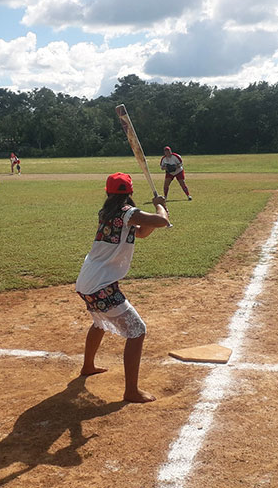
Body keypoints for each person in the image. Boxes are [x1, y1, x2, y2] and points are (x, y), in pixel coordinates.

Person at [75, 172, 170, 403]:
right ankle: (131, 391)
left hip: (87, 281)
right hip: (101, 284)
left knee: (99, 322)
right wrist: (160, 207)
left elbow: (141, 233)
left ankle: (88, 366)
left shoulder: (108, 213)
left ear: (108, 193)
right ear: (130, 193)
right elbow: (161, 222)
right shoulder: (128, 213)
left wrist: (154, 217)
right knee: (137, 331)